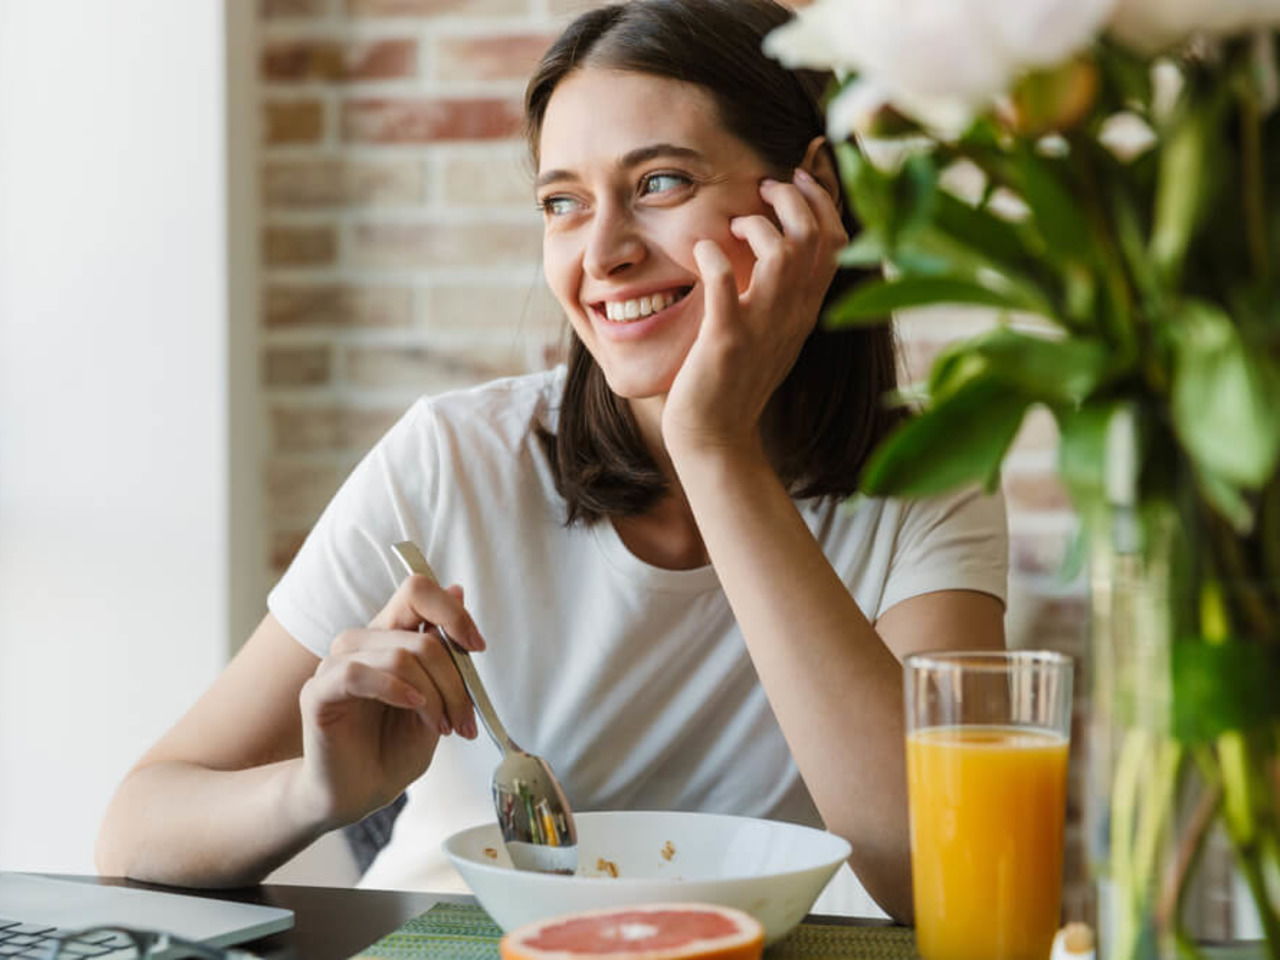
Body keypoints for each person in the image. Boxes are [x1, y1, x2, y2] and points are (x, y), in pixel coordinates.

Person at [96, 0, 1006, 923]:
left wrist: (714, 447)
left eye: (658, 182)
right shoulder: (452, 458)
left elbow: (940, 876)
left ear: (811, 195)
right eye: (563, 202)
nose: (602, 254)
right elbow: (136, 830)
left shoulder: (926, 474)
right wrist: (317, 795)